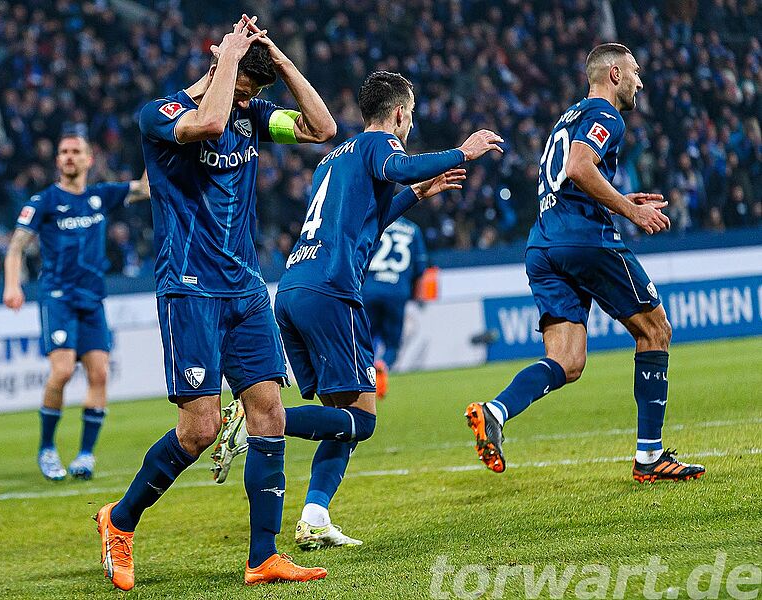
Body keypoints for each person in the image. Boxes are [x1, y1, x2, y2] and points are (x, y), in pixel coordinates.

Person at [93, 15, 337, 591]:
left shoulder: (251, 114)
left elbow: (322, 127)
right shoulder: (161, 114)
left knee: (269, 413)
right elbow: (206, 123)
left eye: (253, 91)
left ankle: (263, 556)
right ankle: (120, 521)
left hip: (246, 288)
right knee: (200, 429)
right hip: (189, 289)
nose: (247, 99)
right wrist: (228, 55)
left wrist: (279, 60)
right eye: (245, 86)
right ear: (219, 64)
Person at [214, 71, 502, 550]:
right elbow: (399, 166)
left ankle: (314, 516)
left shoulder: (334, 158)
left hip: (294, 287)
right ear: (400, 114)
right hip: (332, 291)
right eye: (411, 116)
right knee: (363, 421)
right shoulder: (378, 144)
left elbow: (367, 218)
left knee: (341, 418)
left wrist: (420, 193)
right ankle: (257, 420)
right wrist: (463, 152)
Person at [464, 43, 705, 483]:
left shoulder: (567, 118)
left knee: (567, 361)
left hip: (543, 245)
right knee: (655, 331)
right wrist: (629, 212)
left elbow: (568, 180)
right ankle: (649, 456)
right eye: (635, 72)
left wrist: (618, 199)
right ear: (614, 74)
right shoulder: (605, 114)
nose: (640, 82)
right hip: (584, 241)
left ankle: (494, 411)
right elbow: (578, 167)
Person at [3, 132, 150, 482]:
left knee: (99, 374)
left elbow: (145, 189)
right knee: (63, 371)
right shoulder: (44, 201)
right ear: (58, 160)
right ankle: (47, 448)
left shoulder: (101, 196)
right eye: (64, 151)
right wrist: (12, 284)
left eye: (76, 151)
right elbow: (16, 246)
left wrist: (156, 142)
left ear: (89, 159)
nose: (69, 156)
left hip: (92, 298)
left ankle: (85, 454)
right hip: (58, 297)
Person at [361, 215, 428, 398]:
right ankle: (382, 365)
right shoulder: (413, 229)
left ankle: (363, 377)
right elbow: (421, 269)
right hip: (397, 292)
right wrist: (416, 298)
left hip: (369, 289)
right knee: (392, 344)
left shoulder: (372, 222)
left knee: (363, 339)